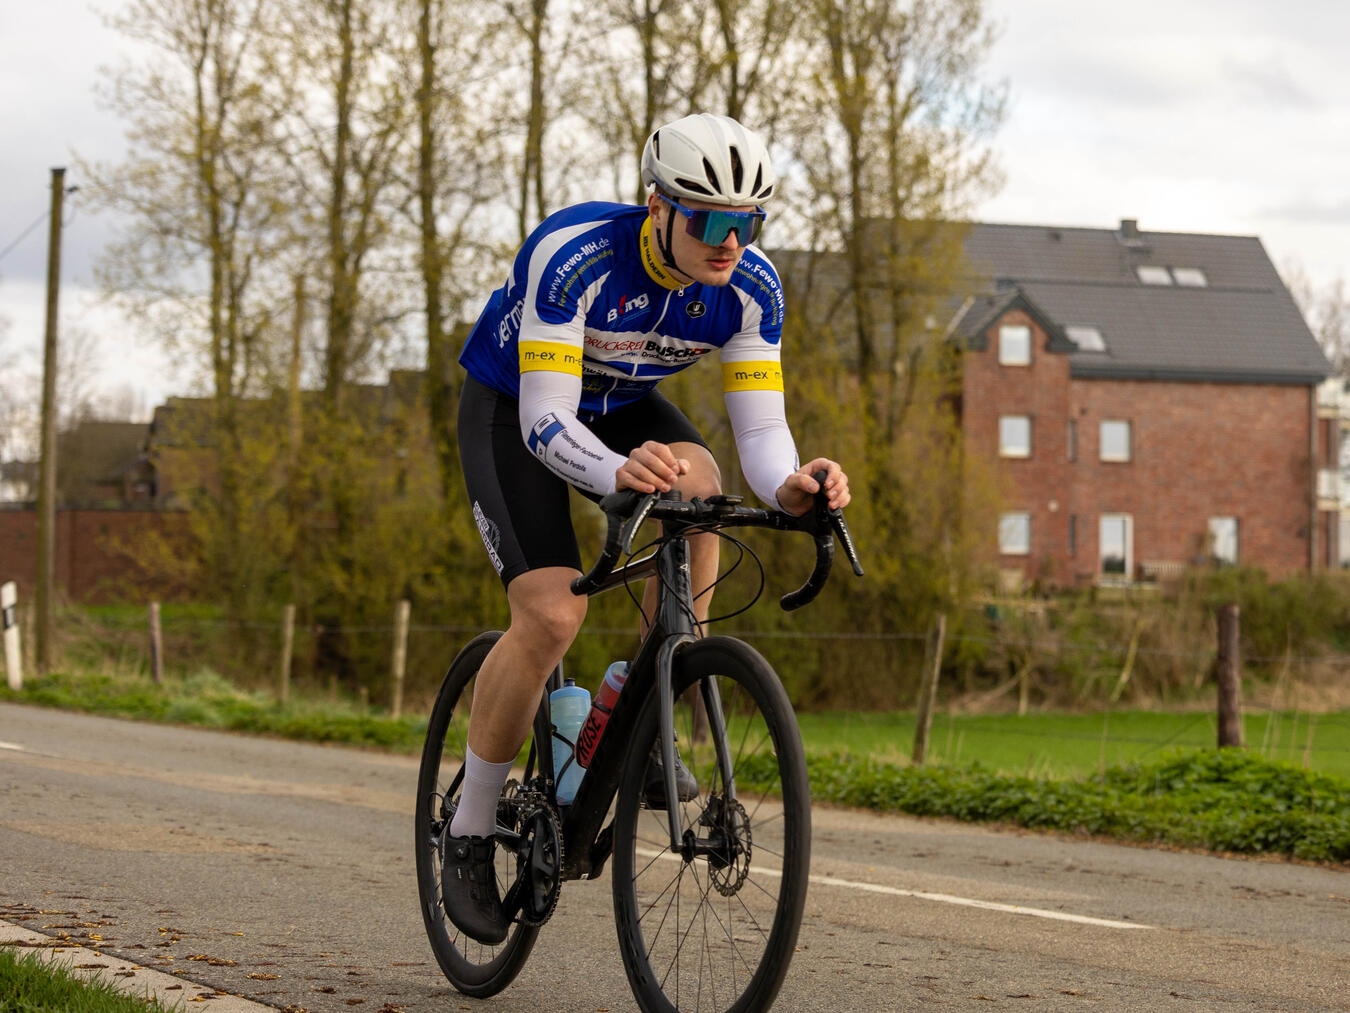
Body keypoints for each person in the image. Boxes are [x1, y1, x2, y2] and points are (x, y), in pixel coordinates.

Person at [445, 112, 851, 944]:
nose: (730, 241)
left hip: (621, 404)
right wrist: (613, 475)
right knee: (554, 614)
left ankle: (656, 684)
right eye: (709, 219)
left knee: (700, 482)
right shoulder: (577, 255)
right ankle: (470, 830)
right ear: (658, 206)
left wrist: (798, 486)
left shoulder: (752, 288)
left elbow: (762, 437)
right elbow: (547, 421)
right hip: (515, 408)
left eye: (748, 222)